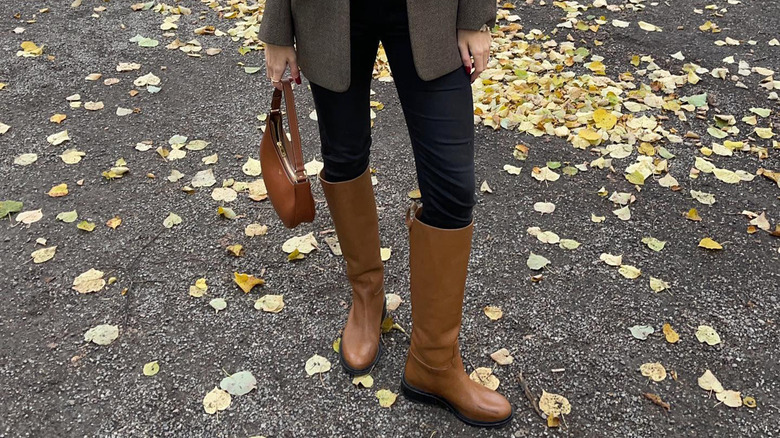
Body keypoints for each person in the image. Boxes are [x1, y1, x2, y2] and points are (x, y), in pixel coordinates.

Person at [259, 0, 513, 428]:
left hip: (432, 12)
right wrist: (278, 28)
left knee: (452, 189)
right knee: (343, 157)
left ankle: (433, 365)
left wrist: (475, 15)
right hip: (328, 14)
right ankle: (367, 296)